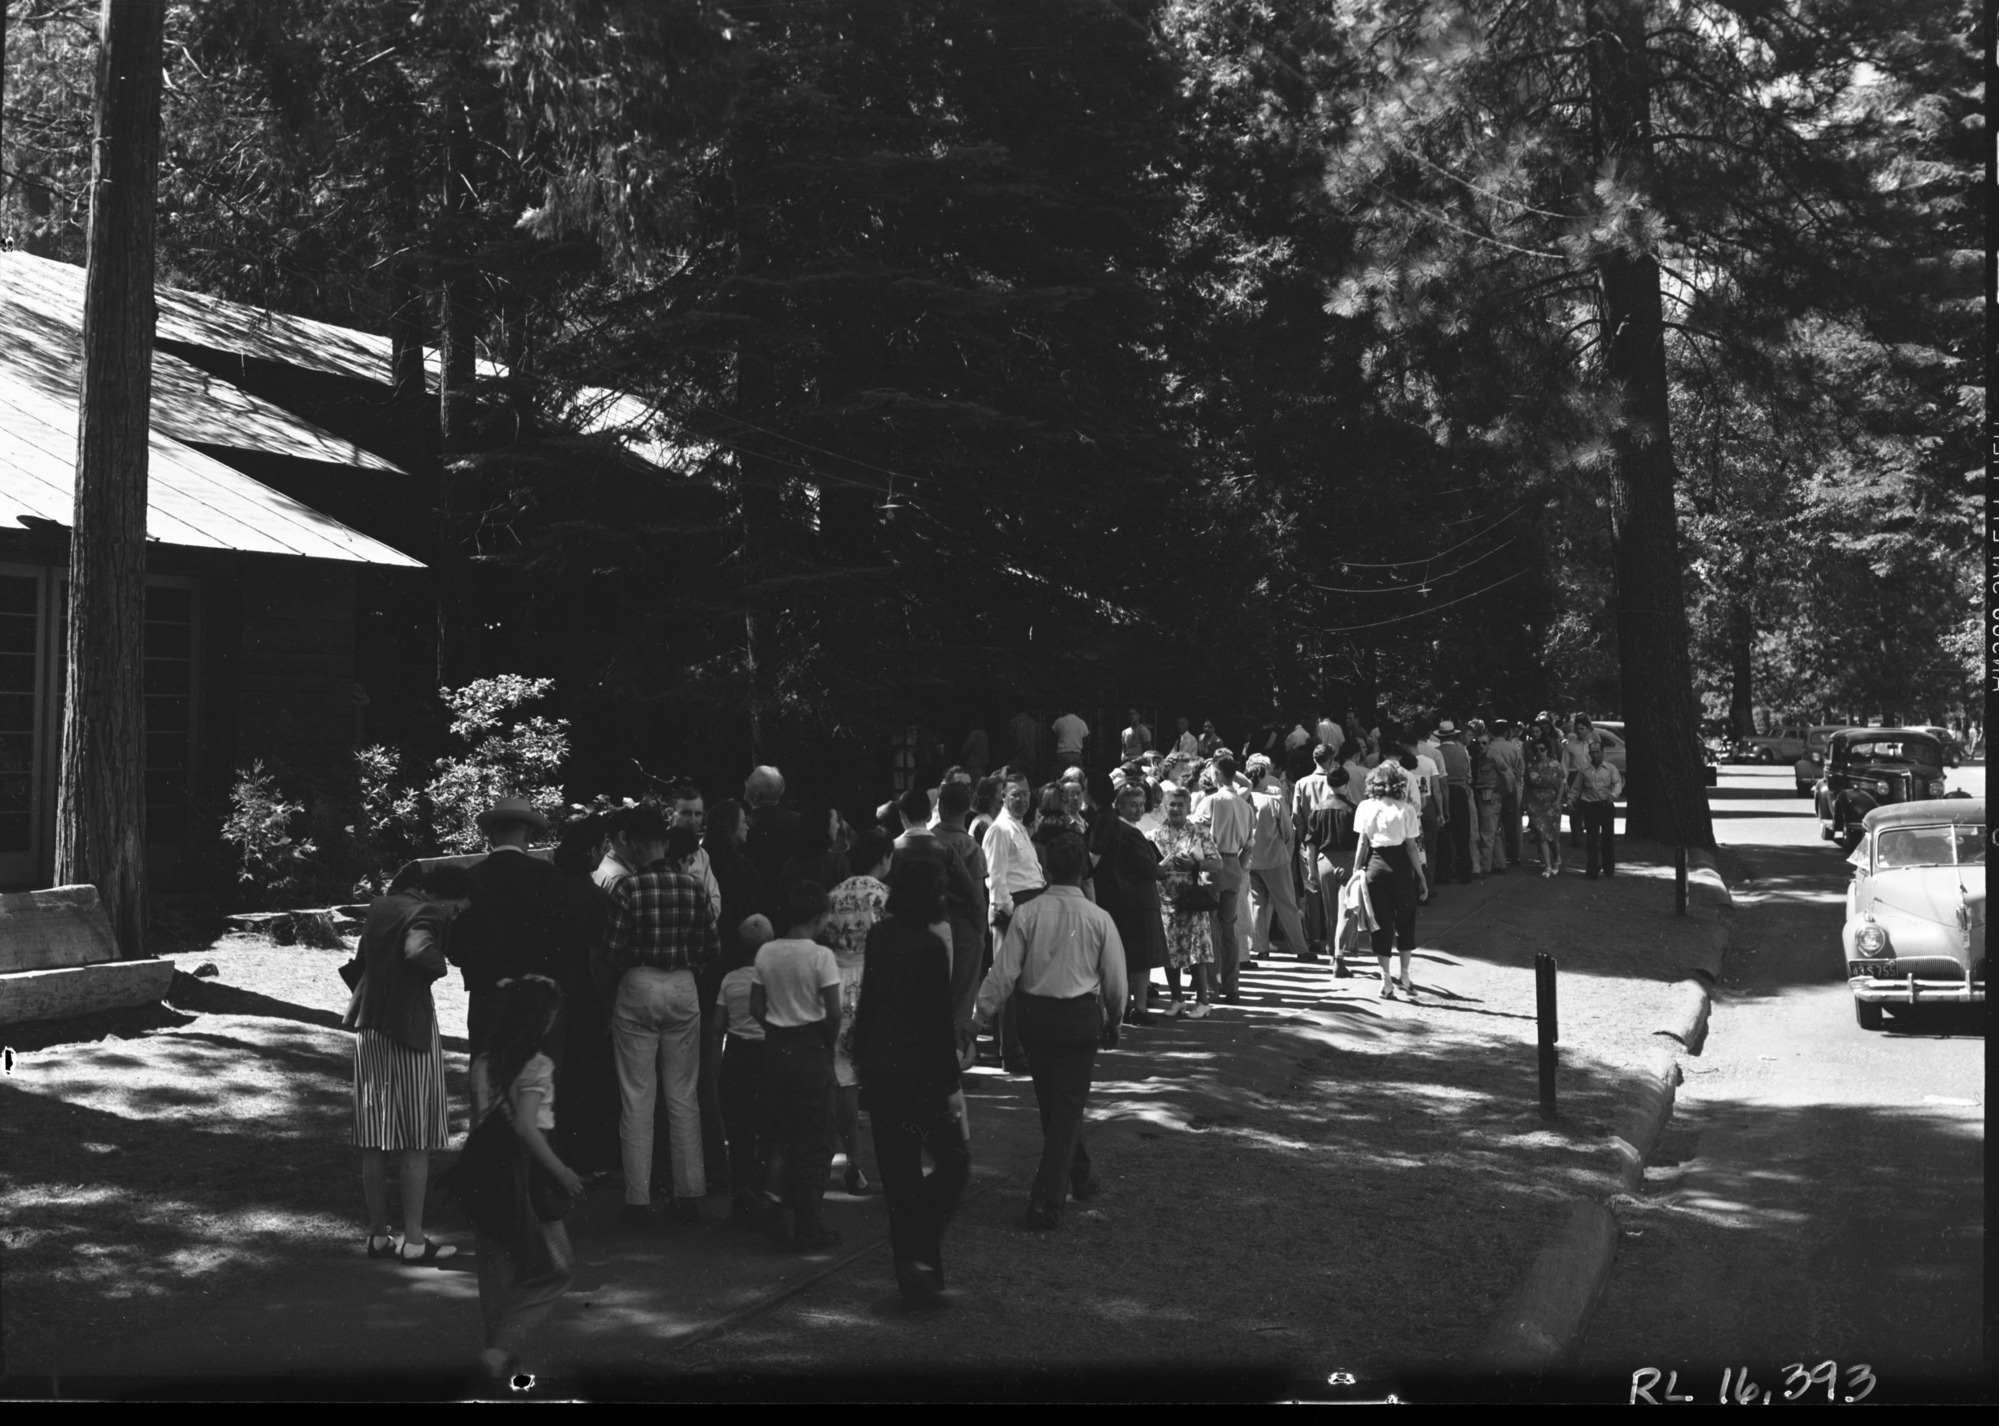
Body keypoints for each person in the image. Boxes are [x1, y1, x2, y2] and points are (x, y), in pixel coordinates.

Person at [965, 833, 1127, 1229]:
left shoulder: (1029, 913)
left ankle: (1080, 1174)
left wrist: (977, 1019)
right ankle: (1047, 1199)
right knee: (1066, 1106)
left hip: (1035, 1018)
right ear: (1083, 870)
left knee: (1053, 1104)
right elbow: (1116, 980)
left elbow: (1003, 973)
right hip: (1077, 1019)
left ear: (1047, 869)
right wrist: (1114, 1020)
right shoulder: (1098, 918)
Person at [851, 858, 971, 1308]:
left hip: (883, 1069)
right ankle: (922, 1260)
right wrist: (950, 1083)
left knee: (899, 1178)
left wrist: (861, 1056)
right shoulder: (930, 946)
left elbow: (870, 1002)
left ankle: (915, 1274)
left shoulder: (881, 935)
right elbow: (938, 1023)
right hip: (919, 1072)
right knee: (953, 1163)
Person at [347, 862, 474, 1264]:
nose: (454, 917)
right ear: (444, 896)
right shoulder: (428, 913)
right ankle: (415, 1240)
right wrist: (441, 966)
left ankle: (378, 1235)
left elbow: (364, 959)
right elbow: (419, 951)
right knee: (416, 1137)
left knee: (374, 1136)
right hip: (409, 1028)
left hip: (369, 1026)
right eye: (456, 909)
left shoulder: (381, 906)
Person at [606, 814, 721, 1229]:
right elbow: (712, 943)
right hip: (682, 986)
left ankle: (637, 1199)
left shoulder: (628, 888)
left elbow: (614, 948)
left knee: (637, 1096)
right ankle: (688, 1193)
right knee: (682, 1094)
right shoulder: (692, 887)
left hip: (637, 984)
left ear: (636, 845)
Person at [468, 974, 582, 1385]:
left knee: (497, 1271)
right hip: (527, 1174)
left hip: (485, 1169)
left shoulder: (483, 1062)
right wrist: (562, 1172)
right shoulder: (537, 1066)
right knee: (557, 1267)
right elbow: (528, 1129)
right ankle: (502, 1350)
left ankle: (496, 1361)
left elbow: (480, 1119)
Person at [751, 880, 845, 1251]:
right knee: (816, 1140)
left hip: (776, 1046)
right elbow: (834, 1011)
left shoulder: (766, 952)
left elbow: (757, 1006)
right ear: (820, 917)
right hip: (810, 1047)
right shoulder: (821, 956)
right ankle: (808, 1225)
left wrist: (775, 1027)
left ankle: (775, 1208)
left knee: (782, 1134)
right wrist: (825, 1038)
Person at [451, 798, 565, 1087]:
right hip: (534, 997)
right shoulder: (547, 876)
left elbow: (454, 947)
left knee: (484, 1082)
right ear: (528, 834)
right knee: (529, 1088)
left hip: (485, 995)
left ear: (490, 835)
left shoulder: (469, 878)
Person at [826, 826, 896, 1194]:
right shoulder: (885, 896)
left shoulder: (833, 895)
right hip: (873, 982)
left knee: (844, 1078)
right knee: (882, 1074)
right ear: (884, 857)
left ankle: (852, 1161)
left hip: (835, 982)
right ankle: (892, 1159)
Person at [548, 816, 620, 1174]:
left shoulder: (548, 886)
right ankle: (586, 1157)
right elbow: (598, 958)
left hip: (549, 993)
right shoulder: (595, 898)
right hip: (584, 996)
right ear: (592, 851)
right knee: (586, 1078)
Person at [710, 914, 775, 1224]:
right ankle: (763, 1197)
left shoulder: (730, 980)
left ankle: (740, 1201)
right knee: (767, 1130)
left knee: (739, 1134)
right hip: (766, 1056)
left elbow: (719, 1025)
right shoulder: (773, 978)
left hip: (737, 1058)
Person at [1090, 778, 1170, 1025]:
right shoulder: (1129, 832)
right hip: (1137, 903)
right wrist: (1166, 864)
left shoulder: (1119, 828)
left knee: (1128, 960)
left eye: (1140, 804)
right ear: (1120, 806)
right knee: (1140, 960)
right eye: (1132, 804)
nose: (1137, 809)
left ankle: (1126, 1008)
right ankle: (1139, 1009)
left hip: (1126, 902)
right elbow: (1150, 869)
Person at [981, 773, 1046, 1075]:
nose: (1022, 800)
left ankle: (1013, 1047)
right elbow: (996, 880)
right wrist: (1012, 912)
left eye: (1026, 794)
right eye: (1015, 795)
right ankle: (1011, 1052)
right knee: (1008, 982)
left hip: (1030, 906)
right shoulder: (999, 830)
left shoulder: (1018, 828)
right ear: (1003, 797)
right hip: (1012, 910)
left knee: (1024, 982)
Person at [1148, 783, 1222, 1017]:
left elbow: (1217, 863)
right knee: (1170, 952)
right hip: (1166, 900)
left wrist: (1195, 865)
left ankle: (1202, 1002)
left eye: (1181, 804)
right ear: (1164, 806)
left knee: (1195, 951)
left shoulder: (1199, 832)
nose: (1176, 808)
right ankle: (1177, 999)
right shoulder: (1154, 835)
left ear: (1189, 807)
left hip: (1191, 899)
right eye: (1172, 804)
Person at [924, 779, 990, 1026]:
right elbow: (977, 898)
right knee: (961, 995)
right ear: (967, 810)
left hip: (928, 923)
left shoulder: (927, 840)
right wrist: (980, 931)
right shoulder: (970, 847)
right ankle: (956, 1045)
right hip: (962, 927)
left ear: (940, 807)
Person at [1352, 763, 1420, 1000]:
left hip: (1375, 866)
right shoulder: (1407, 809)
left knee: (1379, 923)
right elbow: (1411, 848)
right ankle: (1405, 974)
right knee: (1405, 919)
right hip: (1400, 867)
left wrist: (1355, 869)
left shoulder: (1365, 807)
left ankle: (1385, 980)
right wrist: (1420, 876)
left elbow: (1363, 842)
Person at [1244, 754, 1312, 971]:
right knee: (1287, 905)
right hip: (1275, 858)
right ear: (1263, 776)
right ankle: (1301, 949)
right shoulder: (1273, 801)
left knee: (1257, 904)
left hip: (1251, 859)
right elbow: (1287, 831)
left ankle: (1260, 948)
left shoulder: (1244, 801)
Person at [1191, 753, 1252, 995]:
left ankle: (1210, 985)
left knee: (1210, 927)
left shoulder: (1212, 801)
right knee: (1229, 928)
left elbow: (1197, 832)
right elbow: (1249, 845)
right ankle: (1231, 985)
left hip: (1212, 866)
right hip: (1234, 865)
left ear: (1216, 774)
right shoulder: (1246, 806)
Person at [1292, 743, 1346, 959]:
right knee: (1336, 893)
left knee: (1312, 890)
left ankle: (1315, 937)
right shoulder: (1337, 781)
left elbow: (1296, 815)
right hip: (1334, 841)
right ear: (1331, 758)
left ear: (1314, 760)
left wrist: (1304, 837)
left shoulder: (1302, 783)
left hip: (1309, 842)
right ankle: (1334, 938)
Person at [779, 805, 851, 911]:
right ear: (824, 827)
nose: (837, 826)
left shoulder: (789, 866)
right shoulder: (838, 863)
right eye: (835, 821)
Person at [1573, 740, 1626, 879]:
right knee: (1592, 839)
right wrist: (1571, 799)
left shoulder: (1611, 769)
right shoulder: (1584, 770)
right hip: (1590, 806)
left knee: (1607, 839)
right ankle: (1592, 868)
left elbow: (1617, 784)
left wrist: (1613, 795)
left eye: (1597, 752)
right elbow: (1577, 788)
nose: (1595, 755)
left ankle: (1609, 869)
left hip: (1606, 806)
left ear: (1603, 753)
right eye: (1592, 752)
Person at [1435, 720, 1474, 885]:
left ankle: (1444, 872)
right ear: (1454, 734)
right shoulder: (1462, 751)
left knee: (1444, 834)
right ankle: (1465, 872)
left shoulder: (1436, 752)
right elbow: (1468, 773)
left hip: (1444, 792)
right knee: (1463, 834)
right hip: (1460, 791)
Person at [1521, 737, 1567, 878]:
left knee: (1552, 835)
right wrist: (1524, 803)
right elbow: (1527, 785)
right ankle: (1547, 865)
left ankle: (1557, 859)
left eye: (1542, 749)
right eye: (1537, 750)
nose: (1539, 752)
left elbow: (1560, 784)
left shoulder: (1555, 765)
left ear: (1547, 750)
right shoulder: (1530, 766)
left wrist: (1558, 801)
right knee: (1541, 836)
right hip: (1535, 803)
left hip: (1551, 802)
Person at [1561, 717, 1600, 848]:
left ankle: (1591, 837)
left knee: (1590, 807)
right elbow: (1565, 764)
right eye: (1577, 729)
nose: (1579, 731)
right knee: (1574, 808)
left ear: (1588, 730)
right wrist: (1565, 781)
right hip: (1574, 776)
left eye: (1582, 729)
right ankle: (1576, 838)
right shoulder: (1570, 746)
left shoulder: (1593, 745)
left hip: (1589, 776)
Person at [1470, 725, 1505, 876]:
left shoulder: (1494, 757)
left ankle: (1485, 866)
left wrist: (1503, 793)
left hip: (1491, 797)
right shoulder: (1479, 758)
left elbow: (1508, 776)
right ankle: (1499, 862)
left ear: (1489, 743)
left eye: (1484, 743)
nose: (1481, 746)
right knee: (1493, 832)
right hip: (1483, 796)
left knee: (1487, 833)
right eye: (1478, 743)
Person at [1008, 709, 1042, 783]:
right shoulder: (1035, 723)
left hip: (1018, 757)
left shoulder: (1014, 722)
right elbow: (1038, 741)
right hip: (1031, 757)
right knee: (1029, 782)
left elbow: (1011, 741)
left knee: (1016, 781)